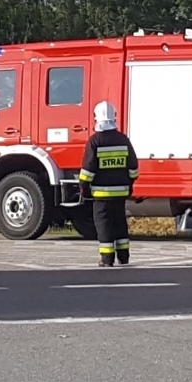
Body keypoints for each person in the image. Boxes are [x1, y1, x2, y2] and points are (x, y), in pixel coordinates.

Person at [78, 101, 137, 266]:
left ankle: (107, 258)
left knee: (104, 224)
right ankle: (124, 256)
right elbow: (133, 166)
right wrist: (130, 182)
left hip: (101, 194)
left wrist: (83, 186)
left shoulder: (95, 141)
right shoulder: (123, 139)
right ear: (114, 117)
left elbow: (88, 169)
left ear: (96, 118)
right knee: (119, 222)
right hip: (121, 192)